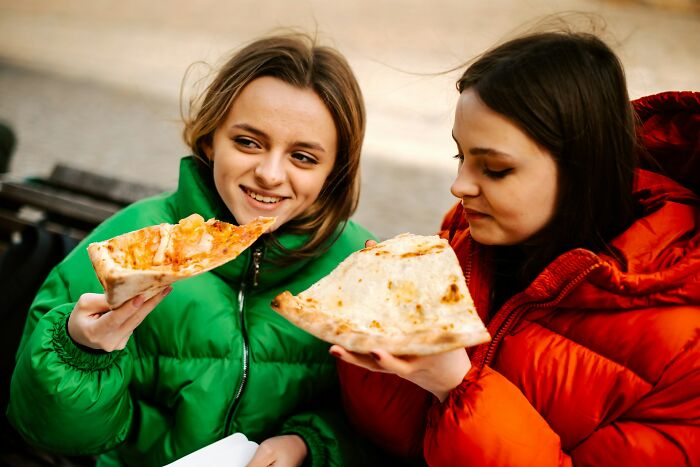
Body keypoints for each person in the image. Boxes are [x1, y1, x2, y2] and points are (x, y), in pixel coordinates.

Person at [8, 33, 379, 466]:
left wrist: (309, 443)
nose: (270, 173)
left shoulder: (361, 268)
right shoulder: (128, 245)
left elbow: (388, 426)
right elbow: (45, 427)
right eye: (248, 142)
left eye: (303, 157)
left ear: (335, 171)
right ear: (210, 138)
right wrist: (81, 351)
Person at [332, 30, 700, 465]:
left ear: (584, 169)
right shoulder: (465, 246)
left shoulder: (684, 348)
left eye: (495, 168)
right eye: (460, 157)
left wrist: (457, 386)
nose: (459, 186)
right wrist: (380, 330)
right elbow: (401, 438)